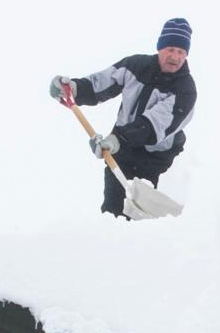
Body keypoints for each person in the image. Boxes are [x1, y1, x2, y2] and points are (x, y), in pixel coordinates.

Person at [49, 18, 197, 216]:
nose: (175, 56)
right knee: (112, 214)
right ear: (160, 47)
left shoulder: (185, 91)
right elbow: (99, 84)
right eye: (170, 48)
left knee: (142, 221)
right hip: (121, 155)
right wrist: (73, 89)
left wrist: (117, 139)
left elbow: (152, 126)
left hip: (157, 163)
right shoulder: (135, 66)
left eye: (181, 52)